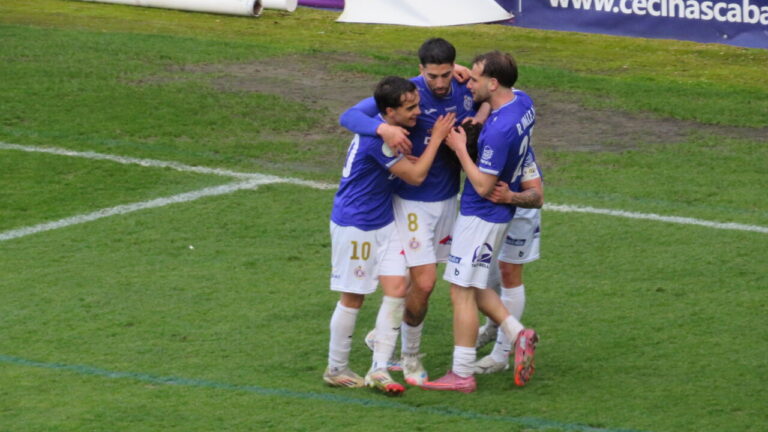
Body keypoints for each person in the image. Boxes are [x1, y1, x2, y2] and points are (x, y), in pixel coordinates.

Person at [339, 37, 488, 386]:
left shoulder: (465, 89)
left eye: (446, 75)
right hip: (410, 202)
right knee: (424, 281)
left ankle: (384, 337)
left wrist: (478, 116)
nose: (439, 83)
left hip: (448, 200)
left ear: (455, 68)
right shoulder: (408, 95)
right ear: (420, 70)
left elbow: (497, 94)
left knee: (418, 284)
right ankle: (409, 356)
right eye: (432, 75)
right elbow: (348, 115)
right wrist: (384, 127)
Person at [323, 76, 455, 395]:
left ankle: (379, 368)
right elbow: (416, 176)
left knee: (397, 288)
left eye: (417, 104)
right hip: (357, 225)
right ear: (389, 112)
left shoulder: (378, 126)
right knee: (353, 296)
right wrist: (437, 137)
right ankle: (336, 367)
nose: (417, 112)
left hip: (384, 221)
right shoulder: (377, 138)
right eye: (410, 108)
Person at [419, 51, 540, 393]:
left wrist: (458, 146)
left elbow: (485, 186)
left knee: (460, 292)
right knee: (470, 284)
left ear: (493, 82)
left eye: (474, 79)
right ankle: (518, 333)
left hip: (481, 216)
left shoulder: (498, 132)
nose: (467, 84)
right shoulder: (523, 102)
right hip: (495, 217)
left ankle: (461, 374)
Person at [474, 151, 544, 374]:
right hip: (485, 202)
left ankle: (501, 354)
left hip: (516, 202)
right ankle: (495, 326)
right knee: (481, 268)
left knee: (508, 271)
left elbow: (537, 194)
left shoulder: (512, 126)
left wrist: (510, 197)